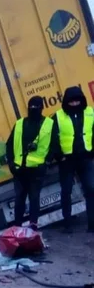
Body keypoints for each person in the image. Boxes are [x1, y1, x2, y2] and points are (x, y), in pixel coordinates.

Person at [5, 96, 57, 228]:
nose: (33, 109)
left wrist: (47, 162)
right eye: (31, 107)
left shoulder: (48, 124)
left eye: (36, 107)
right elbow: (9, 144)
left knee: (34, 198)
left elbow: (54, 145)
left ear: (41, 108)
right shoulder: (20, 124)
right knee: (20, 199)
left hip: (37, 169)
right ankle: (18, 227)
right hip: (19, 169)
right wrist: (11, 163)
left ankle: (33, 225)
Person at [54, 85, 94, 232]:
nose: (75, 104)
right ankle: (68, 224)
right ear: (66, 102)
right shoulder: (58, 116)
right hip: (67, 161)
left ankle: (92, 224)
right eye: (72, 102)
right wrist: (60, 156)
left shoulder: (90, 112)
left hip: (86, 158)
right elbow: (52, 139)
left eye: (77, 101)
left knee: (91, 189)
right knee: (66, 191)